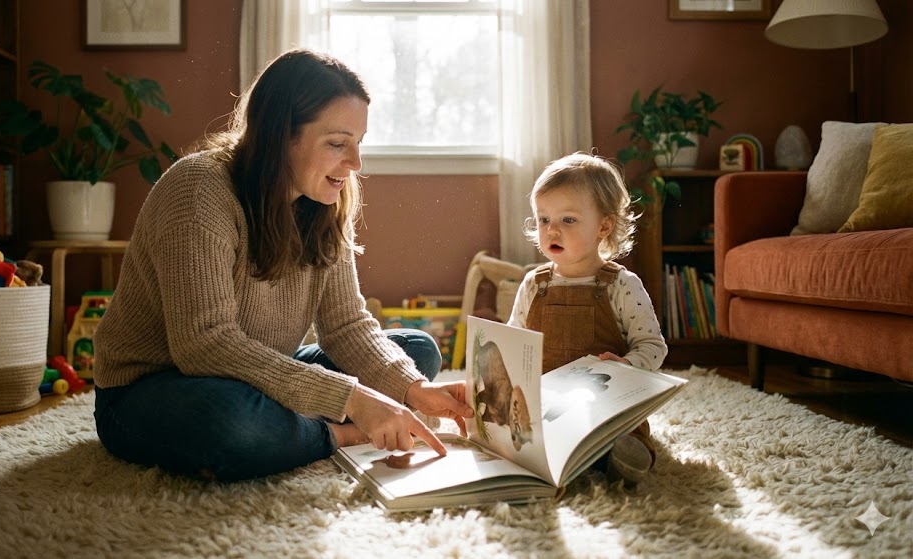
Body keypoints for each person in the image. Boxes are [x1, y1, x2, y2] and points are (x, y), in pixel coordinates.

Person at [92, 48, 473, 483]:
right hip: (155, 388)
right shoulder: (198, 189)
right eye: (336, 144)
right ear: (280, 135)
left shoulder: (327, 200)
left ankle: (294, 429)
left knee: (415, 352)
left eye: (358, 144)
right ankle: (334, 435)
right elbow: (203, 345)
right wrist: (354, 401)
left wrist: (413, 389)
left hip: (259, 367)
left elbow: (346, 325)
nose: (355, 164)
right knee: (230, 422)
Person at [507, 151, 668, 485]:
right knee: (520, 435)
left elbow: (653, 346)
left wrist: (628, 365)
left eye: (568, 220)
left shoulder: (622, 285)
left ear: (604, 226)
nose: (551, 230)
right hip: (548, 408)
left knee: (624, 434)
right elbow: (513, 341)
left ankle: (621, 455)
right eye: (543, 219)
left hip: (606, 406)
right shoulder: (533, 284)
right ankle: (553, 452)